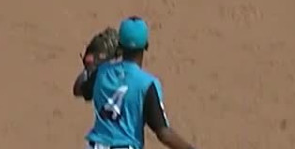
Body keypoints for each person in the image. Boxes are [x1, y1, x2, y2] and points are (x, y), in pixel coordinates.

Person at [73, 17, 201, 149]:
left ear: (120, 45)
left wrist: (89, 67)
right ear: (146, 45)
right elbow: (163, 133)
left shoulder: (101, 73)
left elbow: (77, 89)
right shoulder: (147, 84)